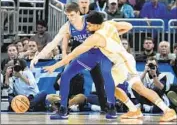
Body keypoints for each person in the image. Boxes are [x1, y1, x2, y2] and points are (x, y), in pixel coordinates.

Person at [44, 11, 177, 122]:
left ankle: (168, 110)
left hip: (124, 61)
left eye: (89, 25)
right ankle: (134, 110)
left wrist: (56, 65)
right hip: (118, 62)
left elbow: (73, 54)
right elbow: (128, 26)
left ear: (96, 25)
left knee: (138, 87)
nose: (87, 27)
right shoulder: (109, 24)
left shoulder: (96, 37)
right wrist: (116, 34)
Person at [30, 2, 109, 113]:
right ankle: (63, 107)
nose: (70, 18)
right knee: (65, 76)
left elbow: (106, 29)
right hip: (80, 51)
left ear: (78, 12)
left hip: (94, 51)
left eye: (72, 15)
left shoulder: (89, 20)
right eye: (67, 15)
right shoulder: (67, 27)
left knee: (99, 81)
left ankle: (105, 107)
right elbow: (53, 43)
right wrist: (38, 56)